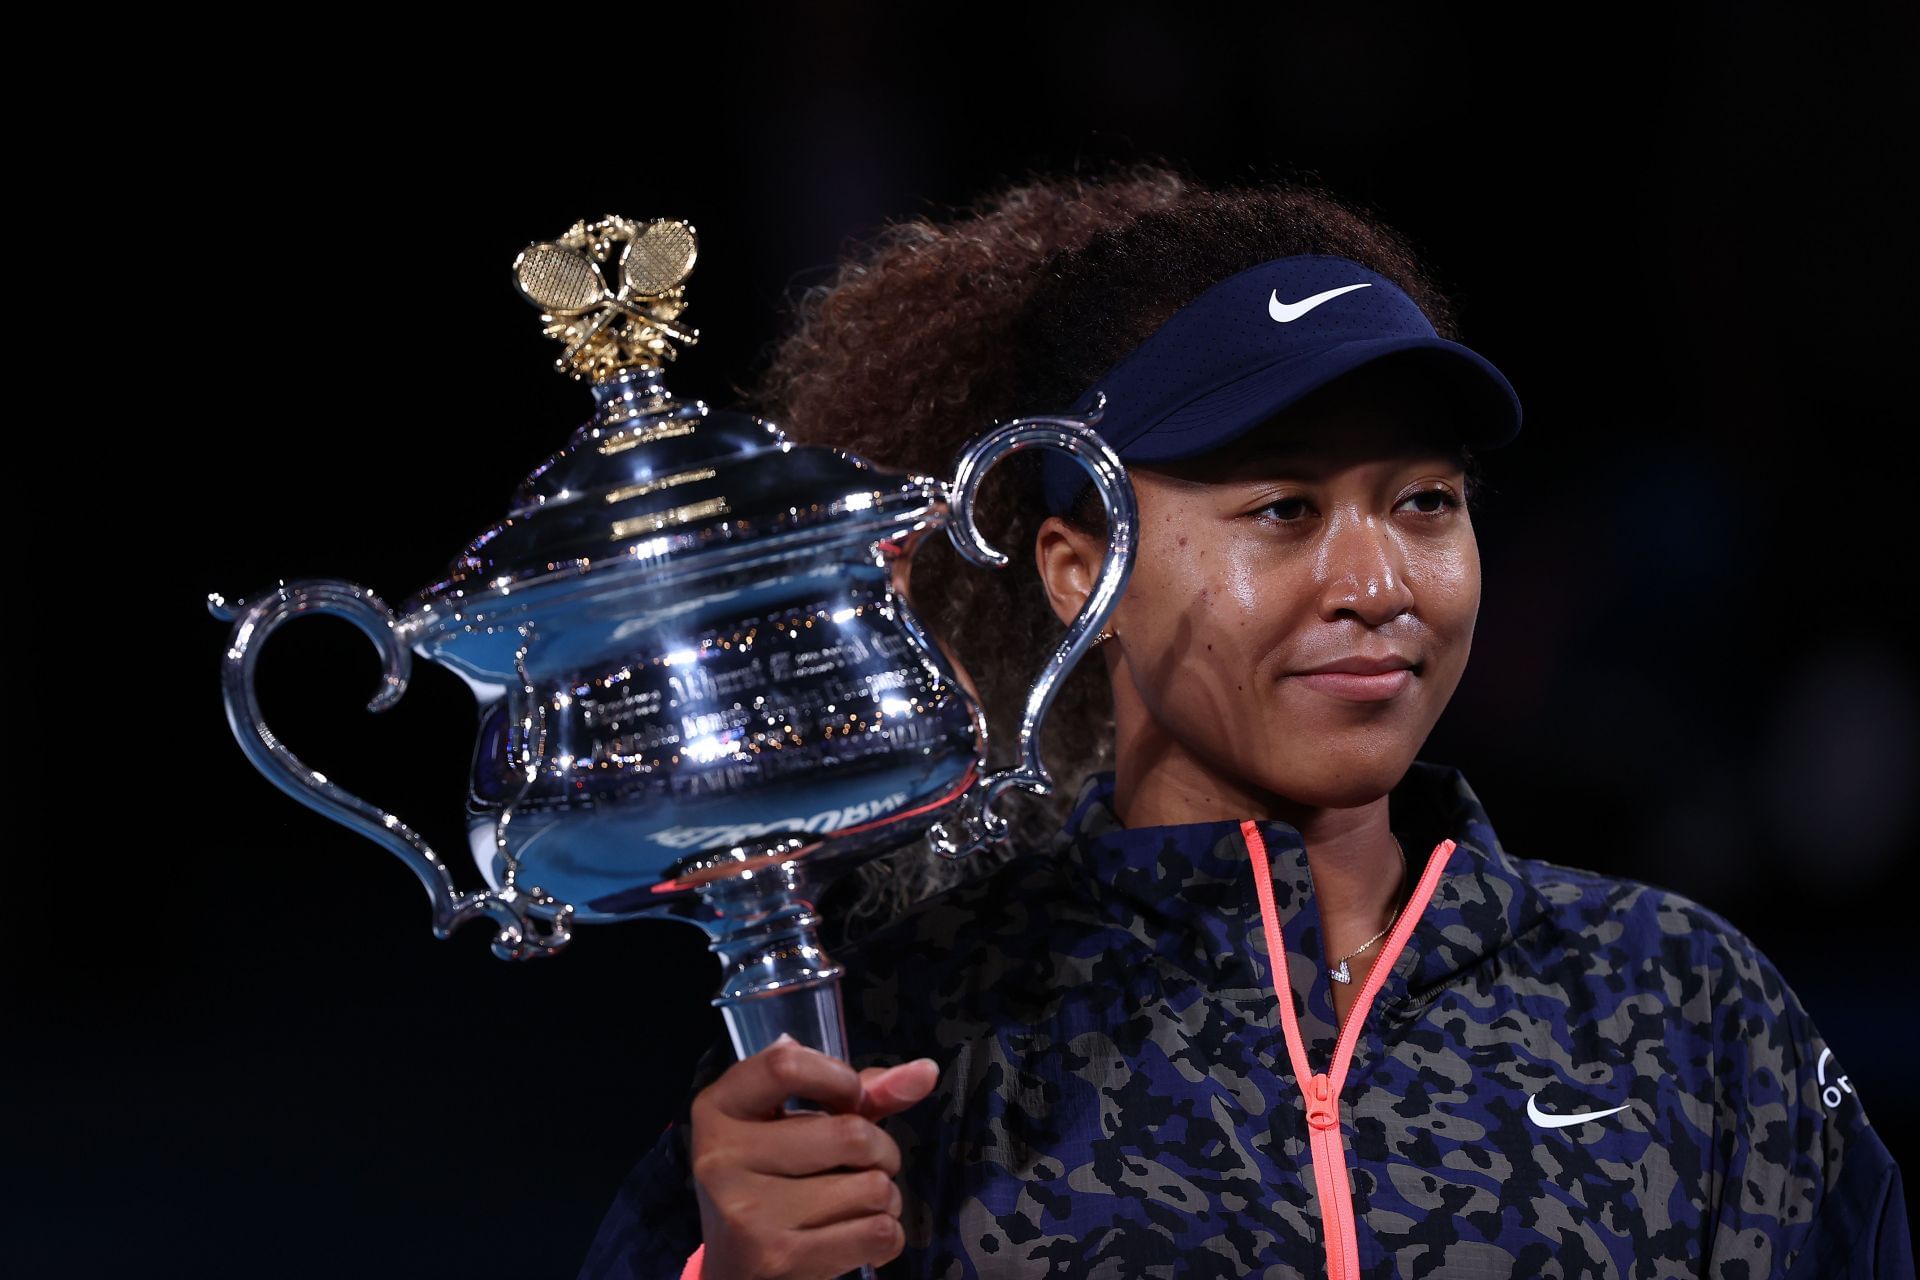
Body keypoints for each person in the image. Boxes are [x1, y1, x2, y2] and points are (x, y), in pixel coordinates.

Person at [577, 165, 1912, 1280]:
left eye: (1425, 503)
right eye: (1282, 510)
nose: (1378, 585)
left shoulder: (1683, 1002)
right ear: (1074, 569)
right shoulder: (894, 1049)